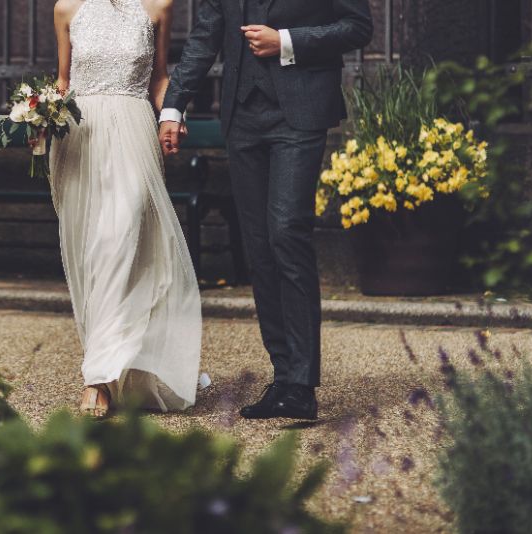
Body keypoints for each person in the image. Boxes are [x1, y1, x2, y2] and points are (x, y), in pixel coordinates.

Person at [159, 0, 372, 420]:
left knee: (286, 231)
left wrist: (287, 42)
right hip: (242, 119)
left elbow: (357, 26)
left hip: (300, 113)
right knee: (258, 247)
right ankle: (284, 375)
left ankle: (301, 385)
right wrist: (173, 106)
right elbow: (204, 38)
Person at [50, 0, 202, 417]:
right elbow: (63, 81)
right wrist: (39, 119)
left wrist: (172, 114)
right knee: (96, 250)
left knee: (122, 239)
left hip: (134, 131)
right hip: (81, 137)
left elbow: (160, 78)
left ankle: (97, 378)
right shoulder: (66, 8)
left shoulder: (158, 6)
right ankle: (105, 367)